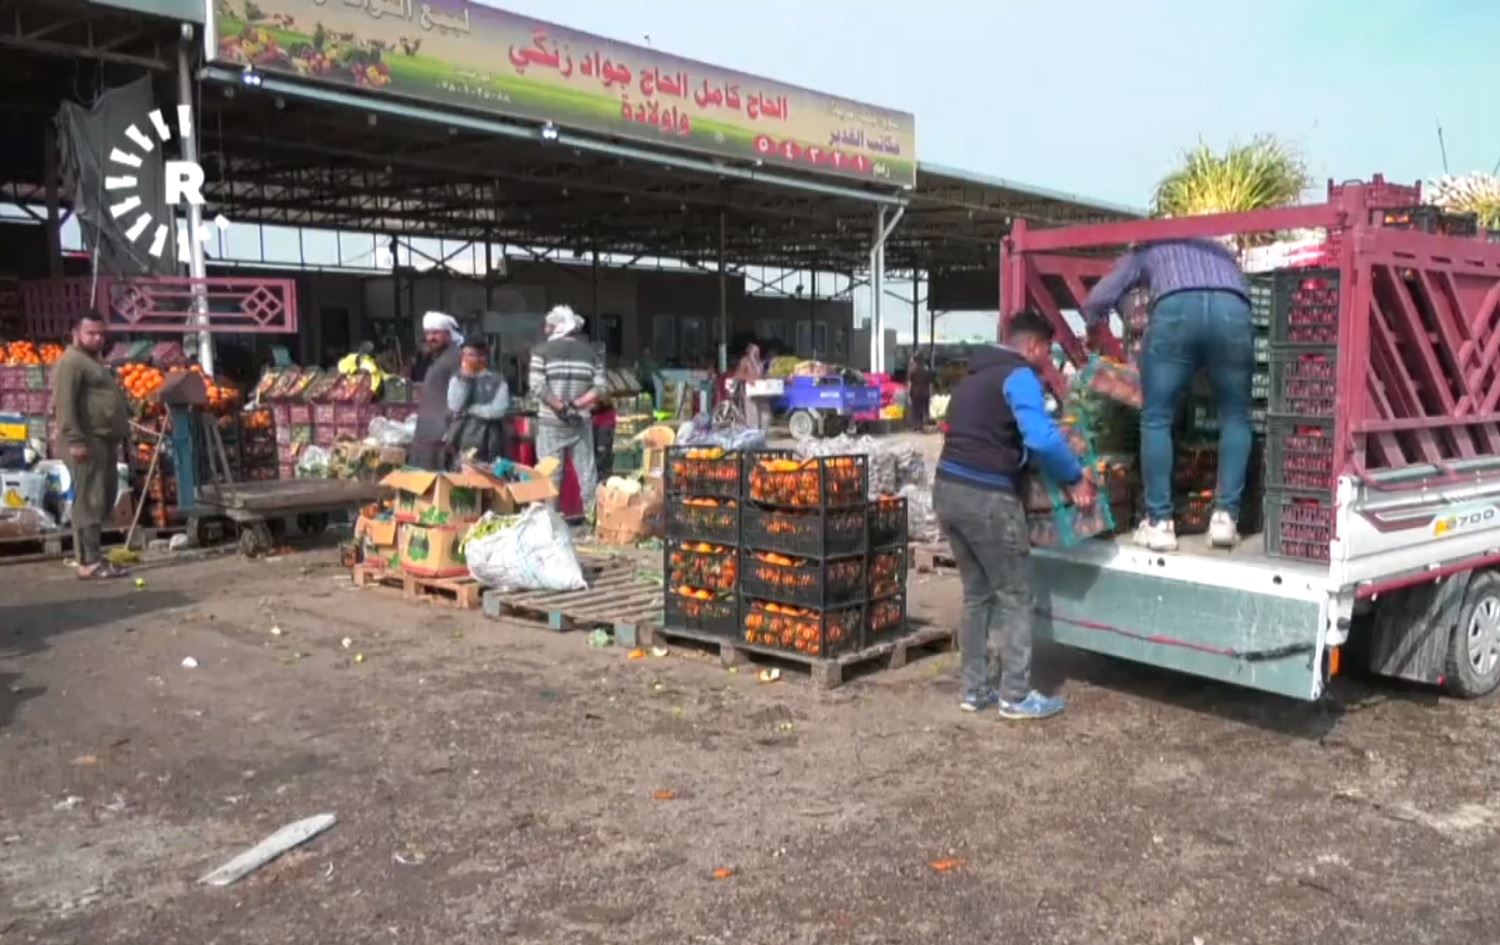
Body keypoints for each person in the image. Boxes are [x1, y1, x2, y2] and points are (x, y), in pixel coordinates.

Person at [932, 309, 1096, 721]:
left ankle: (974, 689)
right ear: (1034, 346)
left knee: (977, 596)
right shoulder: (1018, 375)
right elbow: (1040, 436)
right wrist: (1075, 478)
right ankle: (1016, 696)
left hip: (948, 491)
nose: (1047, 361)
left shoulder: (971, 378)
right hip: (987, 498)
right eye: (1047, 351)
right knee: (1016, 595)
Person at [1080, 238, 1252, 552]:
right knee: (1236, 416)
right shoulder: (1220, 251)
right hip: (1233, 311)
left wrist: (1095, 326)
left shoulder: (1151, 244)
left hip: (1176, 312)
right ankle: (1225, 519)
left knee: (1157, 417)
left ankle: (1160, 523)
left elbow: (1097, 298)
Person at [52, 311, 130, 580]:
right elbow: (65, 404)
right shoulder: (71, 362)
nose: (97, 338)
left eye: (100, 333)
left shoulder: (91, 361)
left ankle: (94, 555)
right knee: (88, 499)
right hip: (86, 440)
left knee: (102, 497)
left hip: (103, 439)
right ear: (76, 333)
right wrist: (75, 440)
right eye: (91, 333)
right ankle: (89, 561)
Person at [529, 305, 606, 521]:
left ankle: (549, 523)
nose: (545, 329)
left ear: (557, 327)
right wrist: (577, 404)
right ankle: (595, 520)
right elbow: (600, 388)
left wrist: (560, 406)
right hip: (580, 421)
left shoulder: (540, 351)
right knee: (587, 472)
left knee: (550, 474)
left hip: (551, 422)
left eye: (549, 326)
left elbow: (537, 385)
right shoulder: (591, 353)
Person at [409, 311, 463, 470]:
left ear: (448, 334)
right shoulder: (438, 358)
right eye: (428, 333)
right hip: (428, 430)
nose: (431, 338)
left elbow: (461, 394)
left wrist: (451, 429)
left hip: (441, 430)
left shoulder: (455, 358)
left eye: (436, 333)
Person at [445, 338, 510, 466]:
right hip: (464, 436)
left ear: (484, 357)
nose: (469, 359)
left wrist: (470, 409)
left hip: (490, 437)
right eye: (467, 355)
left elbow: (499, 410)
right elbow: (455, 406)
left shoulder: (498, 379)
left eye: (474, 355)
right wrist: (465, 380)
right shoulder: (457, 379)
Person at [733, 342, 768, 429]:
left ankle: (762, 430)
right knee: (751, 413)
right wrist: (748, 378)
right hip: (748, 392)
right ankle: (752, 431)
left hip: (760, 391)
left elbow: (761, 375)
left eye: (758, 351)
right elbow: (738, 375)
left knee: (764, 413)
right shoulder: (745, 361)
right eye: (755, 351)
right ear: (750, 352)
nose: (757, 353)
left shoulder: (759, 362)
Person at [907, 353, 933, 431]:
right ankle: (923, 424)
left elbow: (910, 383)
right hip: (926, 392)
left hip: (916, 392)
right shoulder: (927, 371)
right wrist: (930, 393)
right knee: (924, 408)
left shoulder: (913, 371)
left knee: (916, 409)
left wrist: (908, 394)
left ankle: (917, 425)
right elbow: (930, 383)